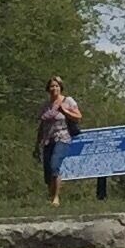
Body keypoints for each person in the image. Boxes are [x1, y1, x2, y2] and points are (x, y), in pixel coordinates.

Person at [35, 77, 82, 208]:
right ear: (48, 89)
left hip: (62, 138)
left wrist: (65, 111)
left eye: (56, 86)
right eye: (51, 86)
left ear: (60, 87)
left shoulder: (68, 101)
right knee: (48, 171)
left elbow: (78, 117)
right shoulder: (45, 105)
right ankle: (51, 197)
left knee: (55, 165)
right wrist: (37, 144)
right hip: (47, 140)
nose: (54, 88)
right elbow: (42, 126)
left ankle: (56, 198)